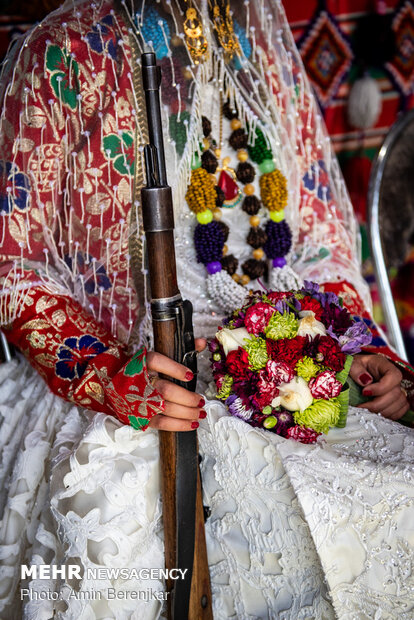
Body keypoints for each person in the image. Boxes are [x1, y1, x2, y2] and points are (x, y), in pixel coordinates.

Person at [0, 0, 413, 618]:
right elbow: (15, 266)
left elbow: (325, 247)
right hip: (138, 368)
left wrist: (363, 350)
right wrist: (108, 373)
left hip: (295, 351)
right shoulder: (63, 50)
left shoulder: (258, 40)